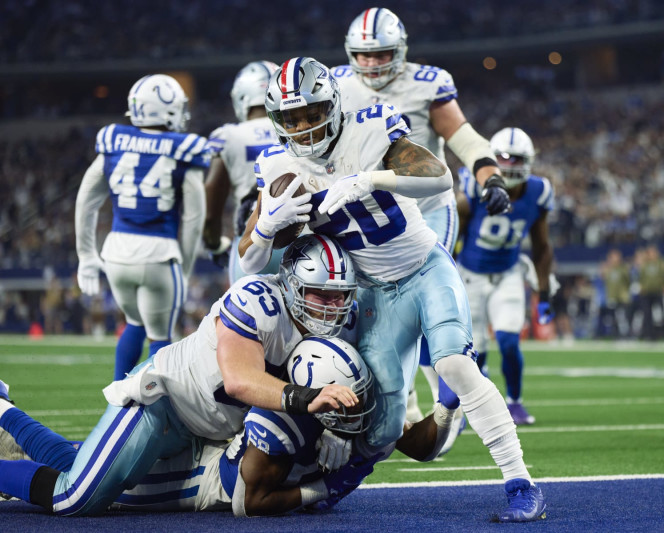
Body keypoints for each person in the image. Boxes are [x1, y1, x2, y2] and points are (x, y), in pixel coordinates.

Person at [238, 57, 545, 522]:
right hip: (374, 296)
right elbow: (248, 263)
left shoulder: (371, 127)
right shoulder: (277, 165)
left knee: (455, 364)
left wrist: (371, 179)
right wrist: (265, 228)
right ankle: (444, 415)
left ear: (334, 105)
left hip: (424, 269)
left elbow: (439, 176)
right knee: (382, 434)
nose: (302, 127)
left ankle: (522, 485)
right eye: (291, 118)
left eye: (312, 112)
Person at [0, 235, 362, 516]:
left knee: (78, 465)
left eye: (341, 296)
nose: (333, 307)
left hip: (212, 430)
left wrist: (338, 430)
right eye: (321, 295)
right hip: (164, 405)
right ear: (292, 284)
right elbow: (240, 380)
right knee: (75, 497)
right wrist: (308, 399)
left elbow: (354, 387)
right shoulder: (258, 300)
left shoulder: (347, 323)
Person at [0, 336, 458, 516]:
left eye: (357, 398)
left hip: (215, 443)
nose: (356, 412)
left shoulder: (347, 405)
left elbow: (414, 441)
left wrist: (448, 406)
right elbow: (254, 501)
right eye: (340, 405)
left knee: (81, 461)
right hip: (206, 481)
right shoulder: (280, 422)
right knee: (84, 486)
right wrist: (323, 489)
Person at [332, 7, 508, 429]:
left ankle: (450, 396)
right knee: (369, 309)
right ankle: (406, 403)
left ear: (401, 50)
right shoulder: (335, 83)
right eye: (364, 55)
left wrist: (489, 174)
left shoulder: (426, 82)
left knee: (424, 296)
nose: (372, 64)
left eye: (381, 54)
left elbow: (460, 135)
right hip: (368, 212)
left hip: (427, 208)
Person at [75, 74, 211, 380]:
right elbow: (193, 218)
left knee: (134, 323)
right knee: (160, 338)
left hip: (116, 253)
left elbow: (86, 200)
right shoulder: (184, 148)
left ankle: (115, 405)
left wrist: (86, 254)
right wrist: (185, 267)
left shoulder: (114, 141)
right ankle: (154, 415)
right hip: (159, 253)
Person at [455, 127, 555, 426]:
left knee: (509, 342)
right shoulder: (474, 186)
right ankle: (474, 406)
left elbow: (542, 246)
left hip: (508, 273)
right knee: (475, 352)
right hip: (470, 274)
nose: (510, 165)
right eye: (503, 158)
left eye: (517, 159)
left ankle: (515, 402)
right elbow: (453, 234)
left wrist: (545, 292)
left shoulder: (539, 192)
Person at [202, 61, 282, 283]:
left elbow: (212, 190)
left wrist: (214, 243)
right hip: (302, 240)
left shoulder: (228, 135)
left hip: (253, 240)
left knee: (249, 315)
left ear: (242, 97)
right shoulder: (297, 129)